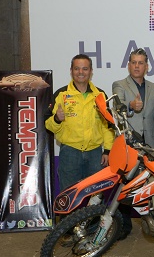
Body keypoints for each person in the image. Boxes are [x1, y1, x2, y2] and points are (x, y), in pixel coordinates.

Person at [112, 47, 154, 239]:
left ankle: (152, 222)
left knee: (149, 185)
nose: (137, 66)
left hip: (149, 146)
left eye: (140, 63)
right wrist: (131, 106)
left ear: (146, 66)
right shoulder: (119, 84)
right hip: (128, 144)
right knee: (125, 185)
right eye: (133, 62)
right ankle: (124, 226)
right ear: (128, 65)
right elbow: (117, 105)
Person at [45, 54, 114, 191]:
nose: (81, 72)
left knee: (95, 196)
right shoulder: (61, 94)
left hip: (95, 154)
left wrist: (107, 151)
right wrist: (57, 119)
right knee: (69, 194)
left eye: (85, 69)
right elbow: (48, 125)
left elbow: (107, 126)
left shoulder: (100, 95)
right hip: (70, 153)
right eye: (77, 68)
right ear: (71, 71)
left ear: (91, 71)